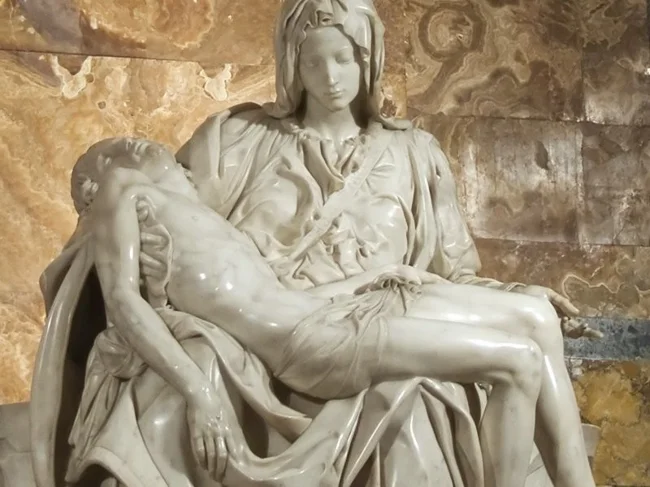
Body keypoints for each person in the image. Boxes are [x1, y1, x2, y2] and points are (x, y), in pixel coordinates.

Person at [29, 1, 598, 486]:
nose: (330, 77)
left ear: (368, 60)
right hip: (296, 337)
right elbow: (148, 232)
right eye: (313, 60)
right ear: (291, 63)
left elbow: (454, 271)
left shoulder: (416, 154)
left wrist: (510, 290)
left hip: (385, 297)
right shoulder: (235, 140)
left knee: (535, 317)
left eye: (345, 58)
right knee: (427, 394)